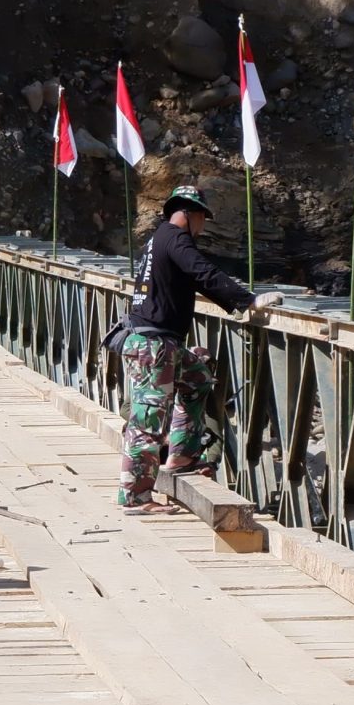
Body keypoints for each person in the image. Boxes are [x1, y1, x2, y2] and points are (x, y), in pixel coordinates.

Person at [116, 184, 279, 510]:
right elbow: (202, 272)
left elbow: (193, 279)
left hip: (159, 342)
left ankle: (180, 454)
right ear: (189, 214)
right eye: (203, 218)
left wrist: (236, 305)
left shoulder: (157, 240)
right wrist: (248, 300)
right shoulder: (175, 239)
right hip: (154, 345)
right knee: (147, 423)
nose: (204, 226)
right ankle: (134, 497)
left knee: (198, 377)